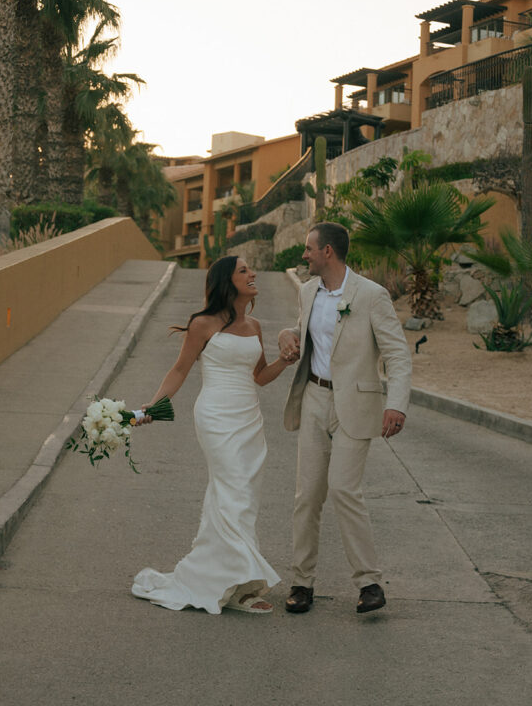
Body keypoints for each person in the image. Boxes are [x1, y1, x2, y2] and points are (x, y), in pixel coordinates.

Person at [132, 255, 296, 614]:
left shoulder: (254, 326)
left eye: (251, 269)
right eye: (244, 270)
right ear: (227, 281)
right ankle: (237, 588)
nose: (253, 274)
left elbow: (259, 376)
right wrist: (150, 408)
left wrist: (284, 361)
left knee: (242, 498)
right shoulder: (202, 324)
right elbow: (178, 371)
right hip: (216, 417)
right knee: (233, 491)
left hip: (249, 420)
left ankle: (234, 581)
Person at [278, 221, 411, 616]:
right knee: (307, 496)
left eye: (308, 249)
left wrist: (397, 403)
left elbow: (398, 355)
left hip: (356, 405)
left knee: (343, 489)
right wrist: (288, 333)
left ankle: (369, 583)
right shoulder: (307, 291)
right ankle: (302, 583)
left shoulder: (371, 295)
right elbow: (306, 332)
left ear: (328, 252)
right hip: (315, 397)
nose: (304, 255)